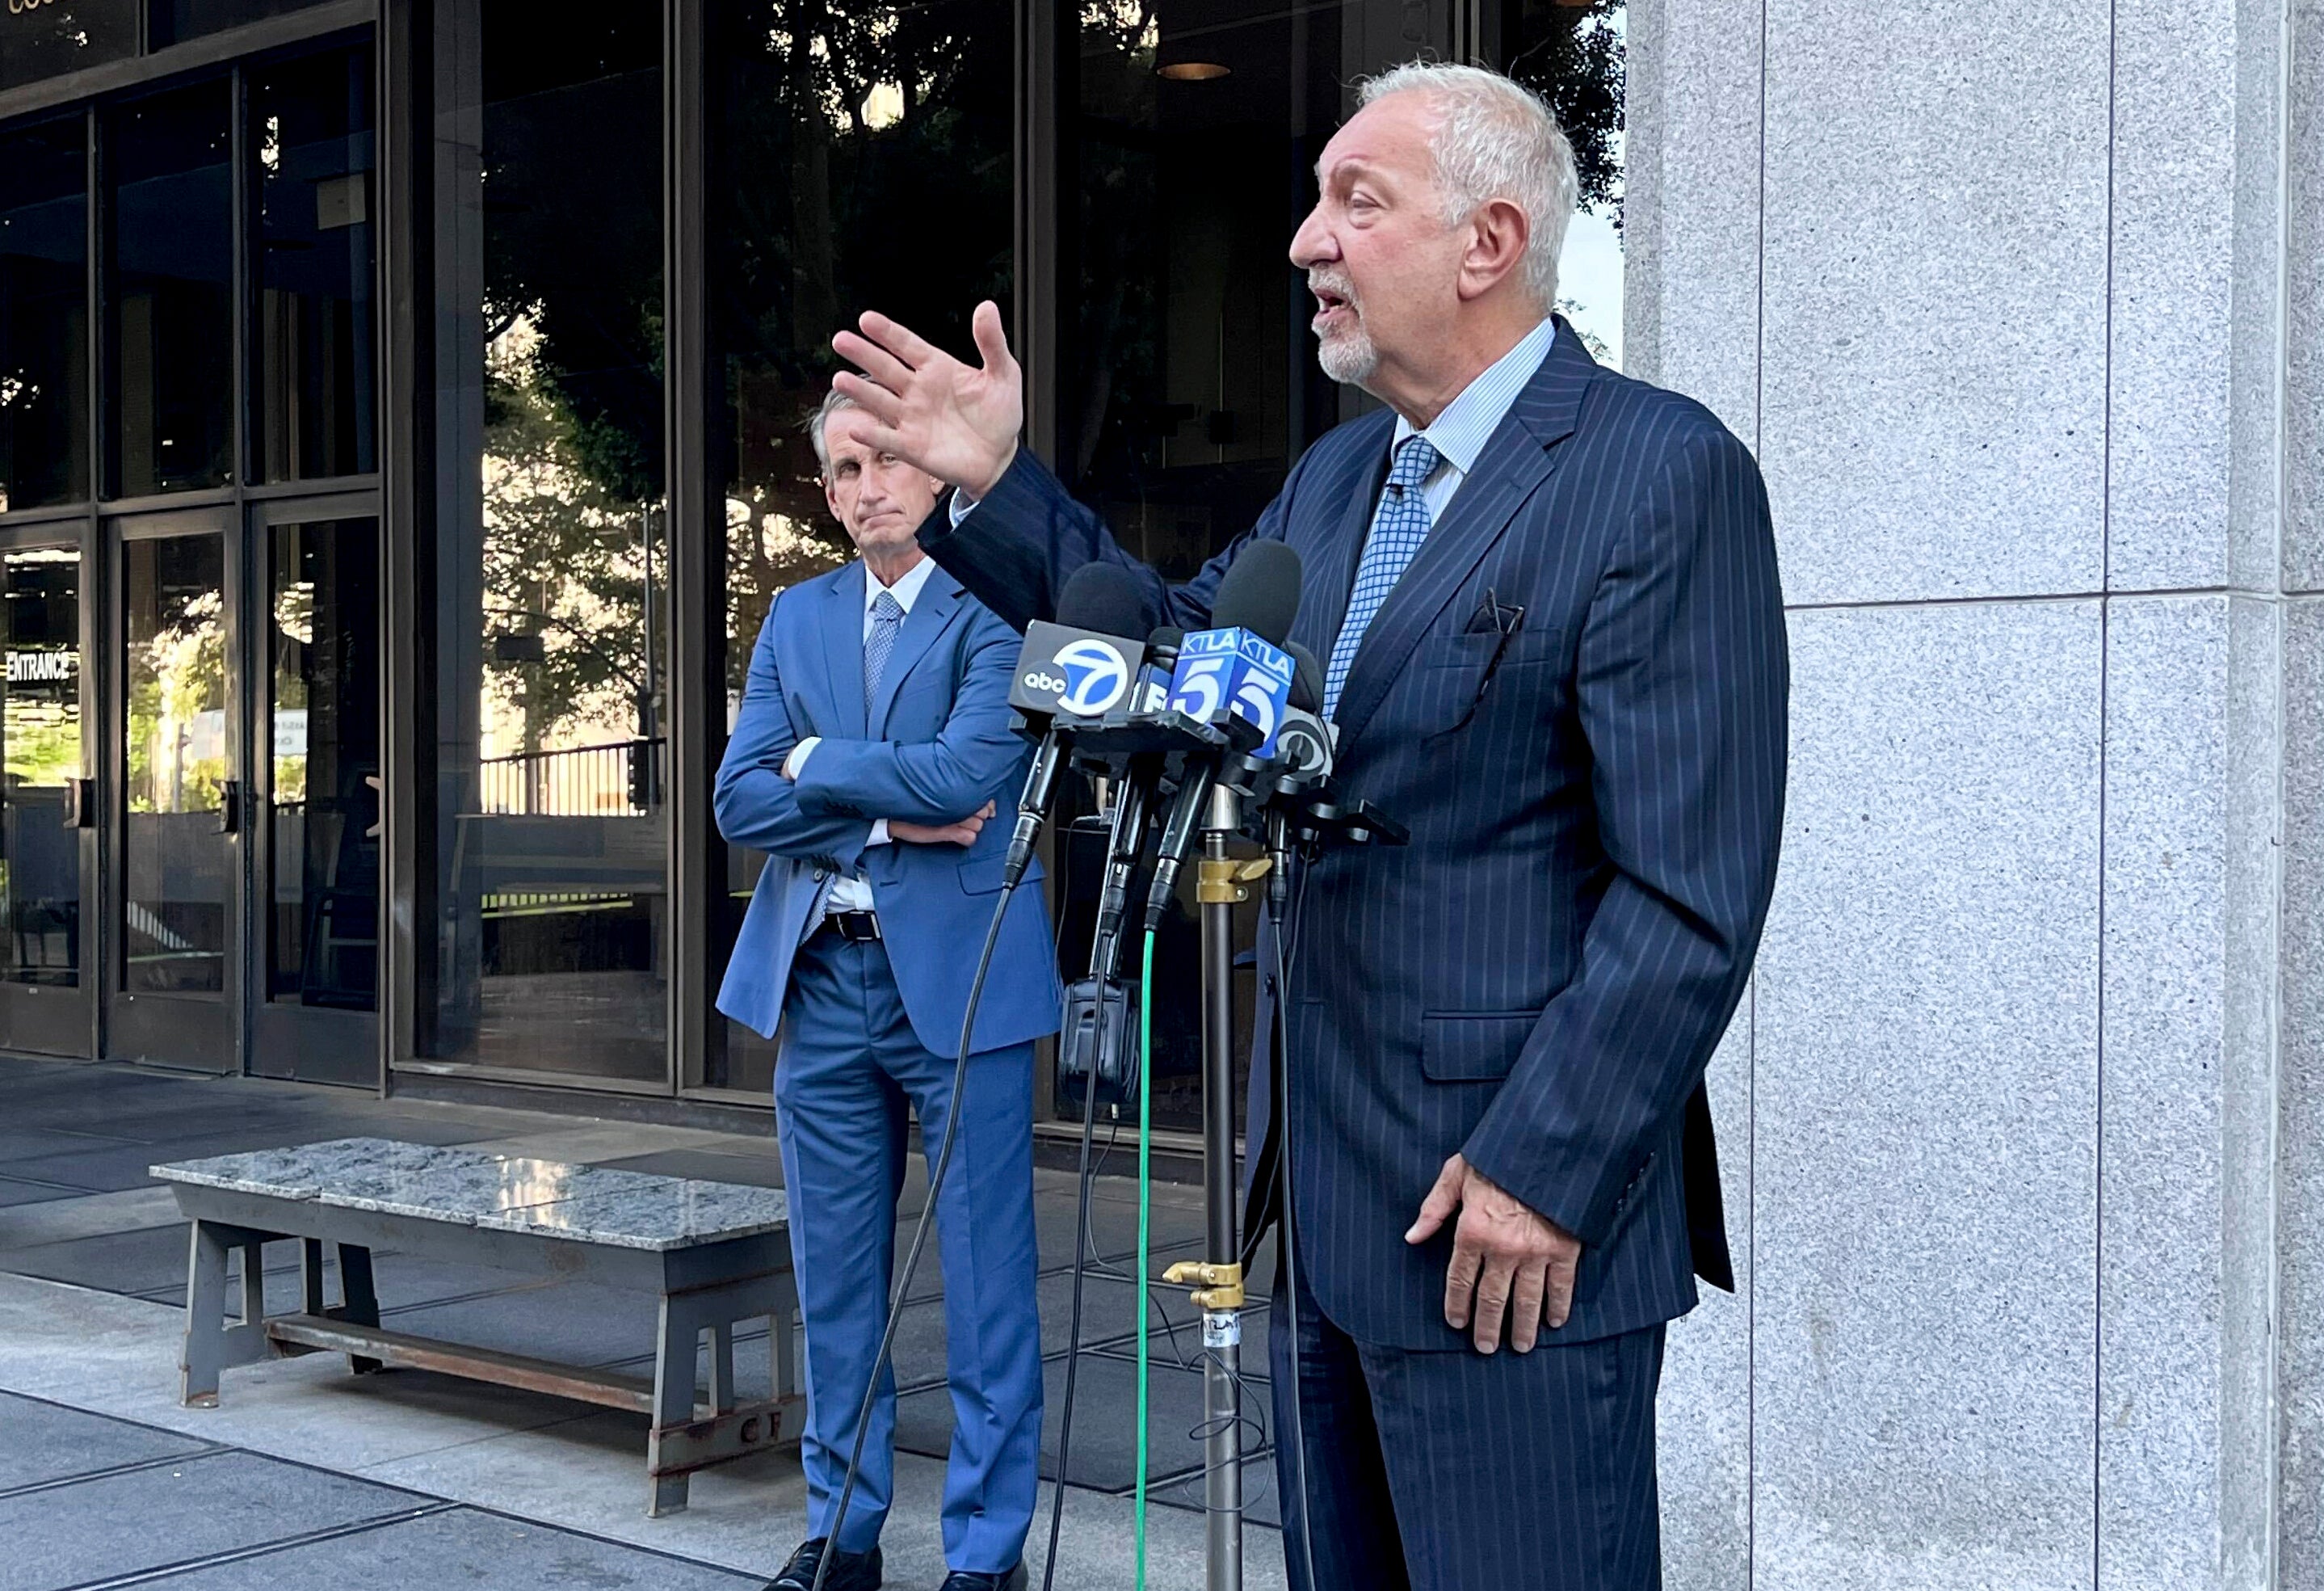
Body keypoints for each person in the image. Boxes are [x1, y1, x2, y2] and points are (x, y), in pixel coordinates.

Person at [824, 61, 1788, 1591]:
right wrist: (996, 481)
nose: (1302, 241)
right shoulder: (1338, 480)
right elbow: (1169, 663)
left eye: (1357, 200)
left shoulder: (1658, 477)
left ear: (1486, 241)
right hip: (1325, 1217)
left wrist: (1543, 1170)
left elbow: (1691, 890)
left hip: (1506, 1230)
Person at [714, 391, 1060, 1591]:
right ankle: (842, 1534)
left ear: (931, 468)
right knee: (837, 1280)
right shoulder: (795, 615)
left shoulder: (993, 603)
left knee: (986, 1287)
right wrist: (891, 812)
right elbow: (737, 796)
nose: (868, 487)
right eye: (845, 469)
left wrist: (817, 766)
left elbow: (975, 769)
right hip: (822, 978)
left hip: (961, 987)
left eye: (889, 460)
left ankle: (986, 1554)